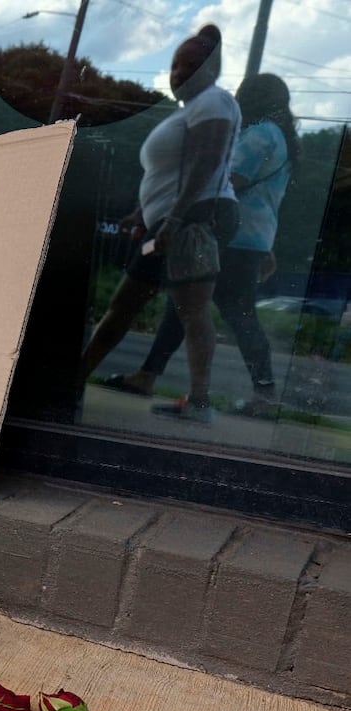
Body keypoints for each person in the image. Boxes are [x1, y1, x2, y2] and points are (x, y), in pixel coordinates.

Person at [98, 74, 298, 417]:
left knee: (227, 312)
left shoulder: (261, 135)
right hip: (250, 238)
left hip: (226, 236)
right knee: (192, 305)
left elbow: (225, 181)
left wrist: (176, 209)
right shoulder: (282, 139)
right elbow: (264, 200)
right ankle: (150, 376)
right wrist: (266, 246)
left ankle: (262, 396)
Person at [79, 25, 240, 423]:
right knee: (132, 305)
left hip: (189, 222)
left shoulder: (213, 101)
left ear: (212, 69)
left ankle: (200, 402)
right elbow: (171, 173)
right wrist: (141, 213)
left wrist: (175, 218)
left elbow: (208, 160)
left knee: (187, 308)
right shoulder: (193, 108)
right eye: (174, 64)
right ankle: (73, 378)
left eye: (191, 64)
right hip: (171, 222)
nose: (179, 72)